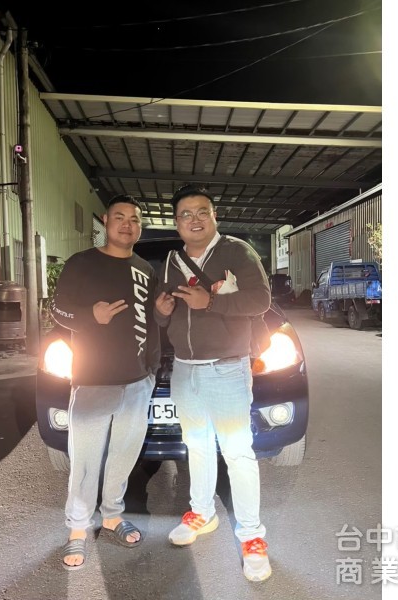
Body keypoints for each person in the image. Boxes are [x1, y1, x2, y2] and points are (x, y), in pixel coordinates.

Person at [154, 184, 273, 582]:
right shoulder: (171, 261)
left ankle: (252, 537)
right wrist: (161, 311)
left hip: (226, 369)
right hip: (185, 370)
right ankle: (202, 513)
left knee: (237, 453)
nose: (194, 219)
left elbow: (260, 300)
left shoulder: (237, 252)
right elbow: (164, 316)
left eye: (201, 211)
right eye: (185, 214)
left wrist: (212, 302)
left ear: (214, 216)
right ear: (177, 222)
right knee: (198, 446)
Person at [51, 194, 160, 571]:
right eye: (120, 217)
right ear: (105, 221)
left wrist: (150, 371)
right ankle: (78, 529)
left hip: (137, 383)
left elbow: (151, 322)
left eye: (134, 219)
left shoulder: (144, 269)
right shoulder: (82, 263)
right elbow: (57, 309)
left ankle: (112, 516)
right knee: (85, 462)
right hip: (93, 382)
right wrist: (90, 315)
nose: (128, 224)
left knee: (122, 458)